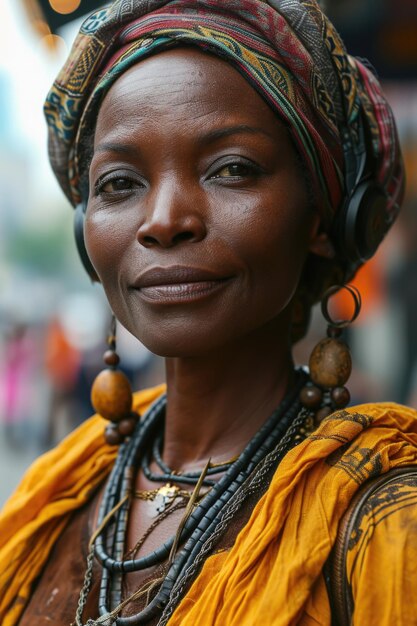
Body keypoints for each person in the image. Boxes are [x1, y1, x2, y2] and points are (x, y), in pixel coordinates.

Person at [1, 1, 416, 625]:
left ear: (324, 221)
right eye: (119, 183)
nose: (165, 219)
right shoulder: (57, 495)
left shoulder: (386, 524)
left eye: (232, 170)